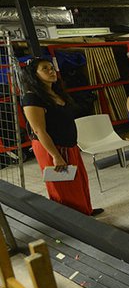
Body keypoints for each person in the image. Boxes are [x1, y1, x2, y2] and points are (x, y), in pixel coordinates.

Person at [21, 58, 102, 216]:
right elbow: (39, 130)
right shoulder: (32, 98)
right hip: (52, 148)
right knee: (63, 186)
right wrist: (56, 156)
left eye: (52, 67)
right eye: (45, 69)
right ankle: (72, 219)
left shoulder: (56, 93)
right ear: (34, 75)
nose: (51, 71)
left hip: (68, 145)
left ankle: (85, 212)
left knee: (78, 180)